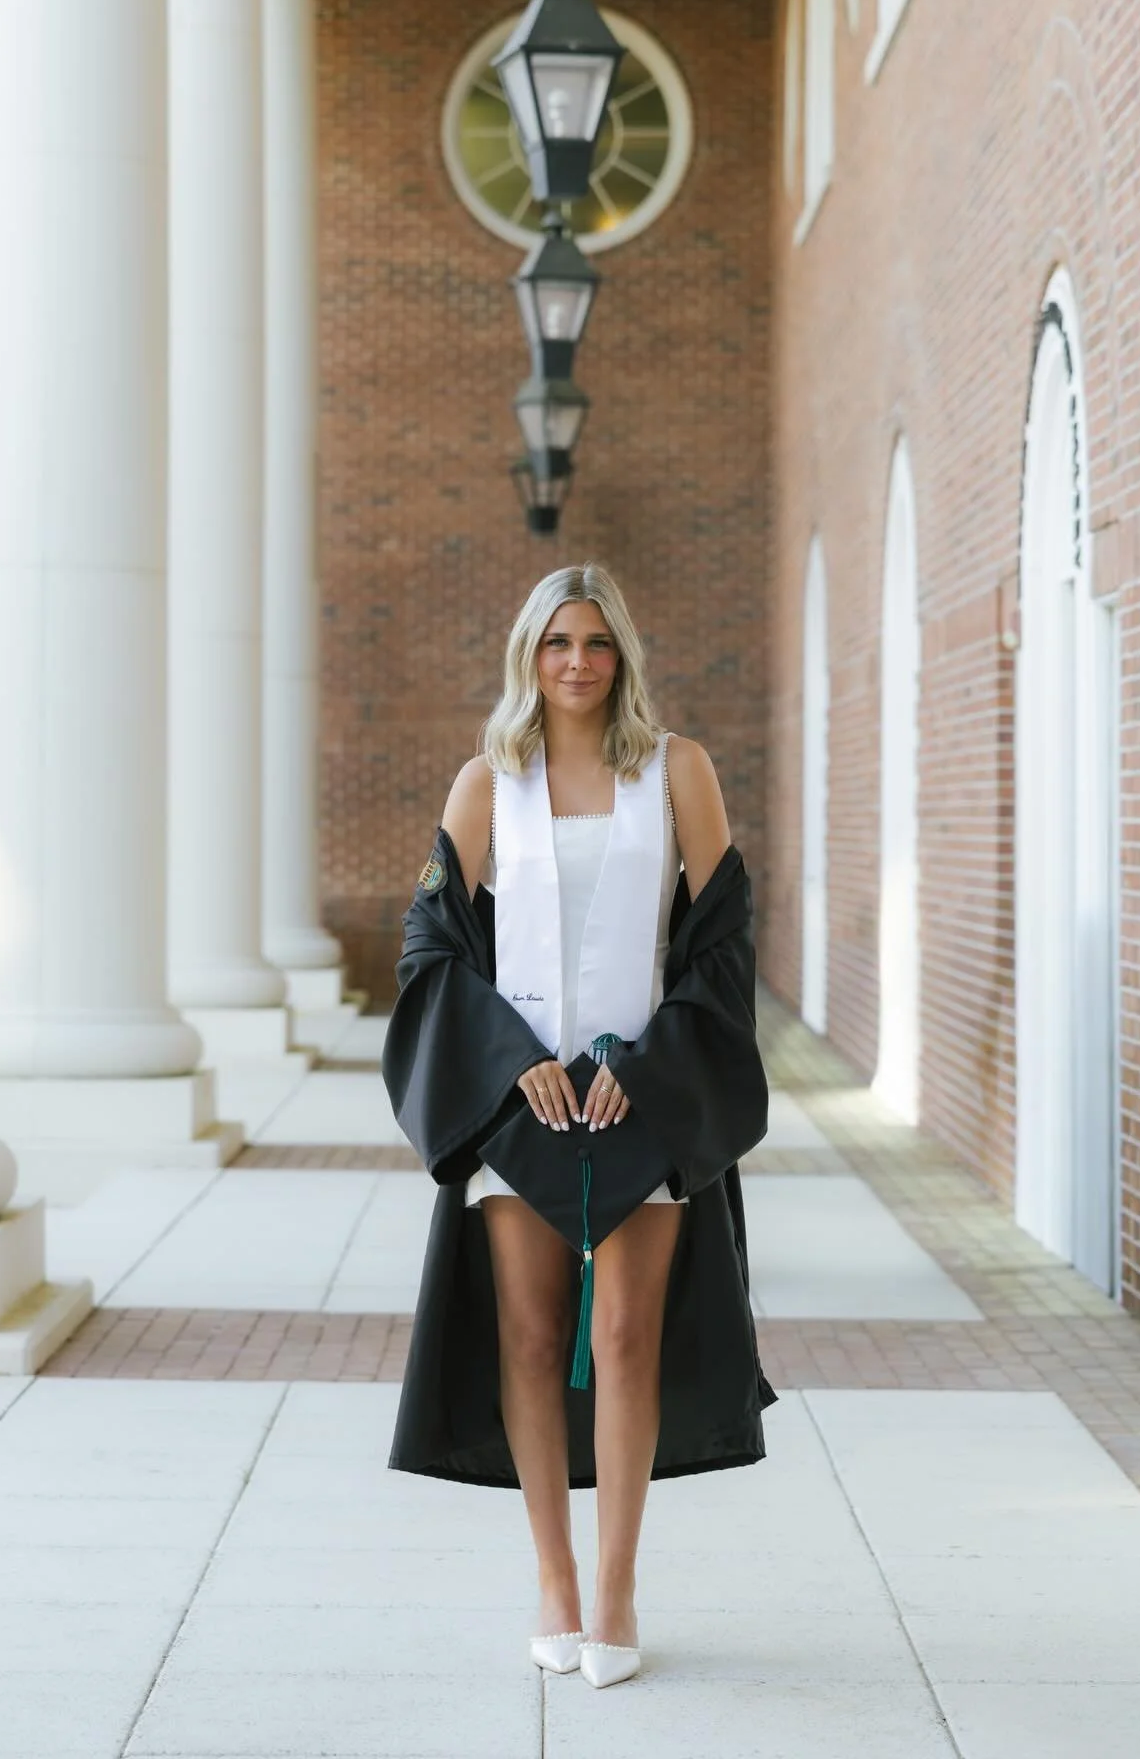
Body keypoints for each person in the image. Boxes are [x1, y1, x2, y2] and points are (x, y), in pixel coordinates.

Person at [381, 562, 774, 1690]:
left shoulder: (677, 771)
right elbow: (433, 953)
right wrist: (513, 1069)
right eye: (557, 642)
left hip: (639, 1095)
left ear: (623, 656)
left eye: (597, 642)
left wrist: (646, 1072)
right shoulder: (484, 784)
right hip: (529, 1102)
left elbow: (722, 944)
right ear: (529, 656)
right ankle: (552, 1578)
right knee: (531, 1339)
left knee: (626, 1340)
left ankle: (616, 1589)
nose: (578, 662)